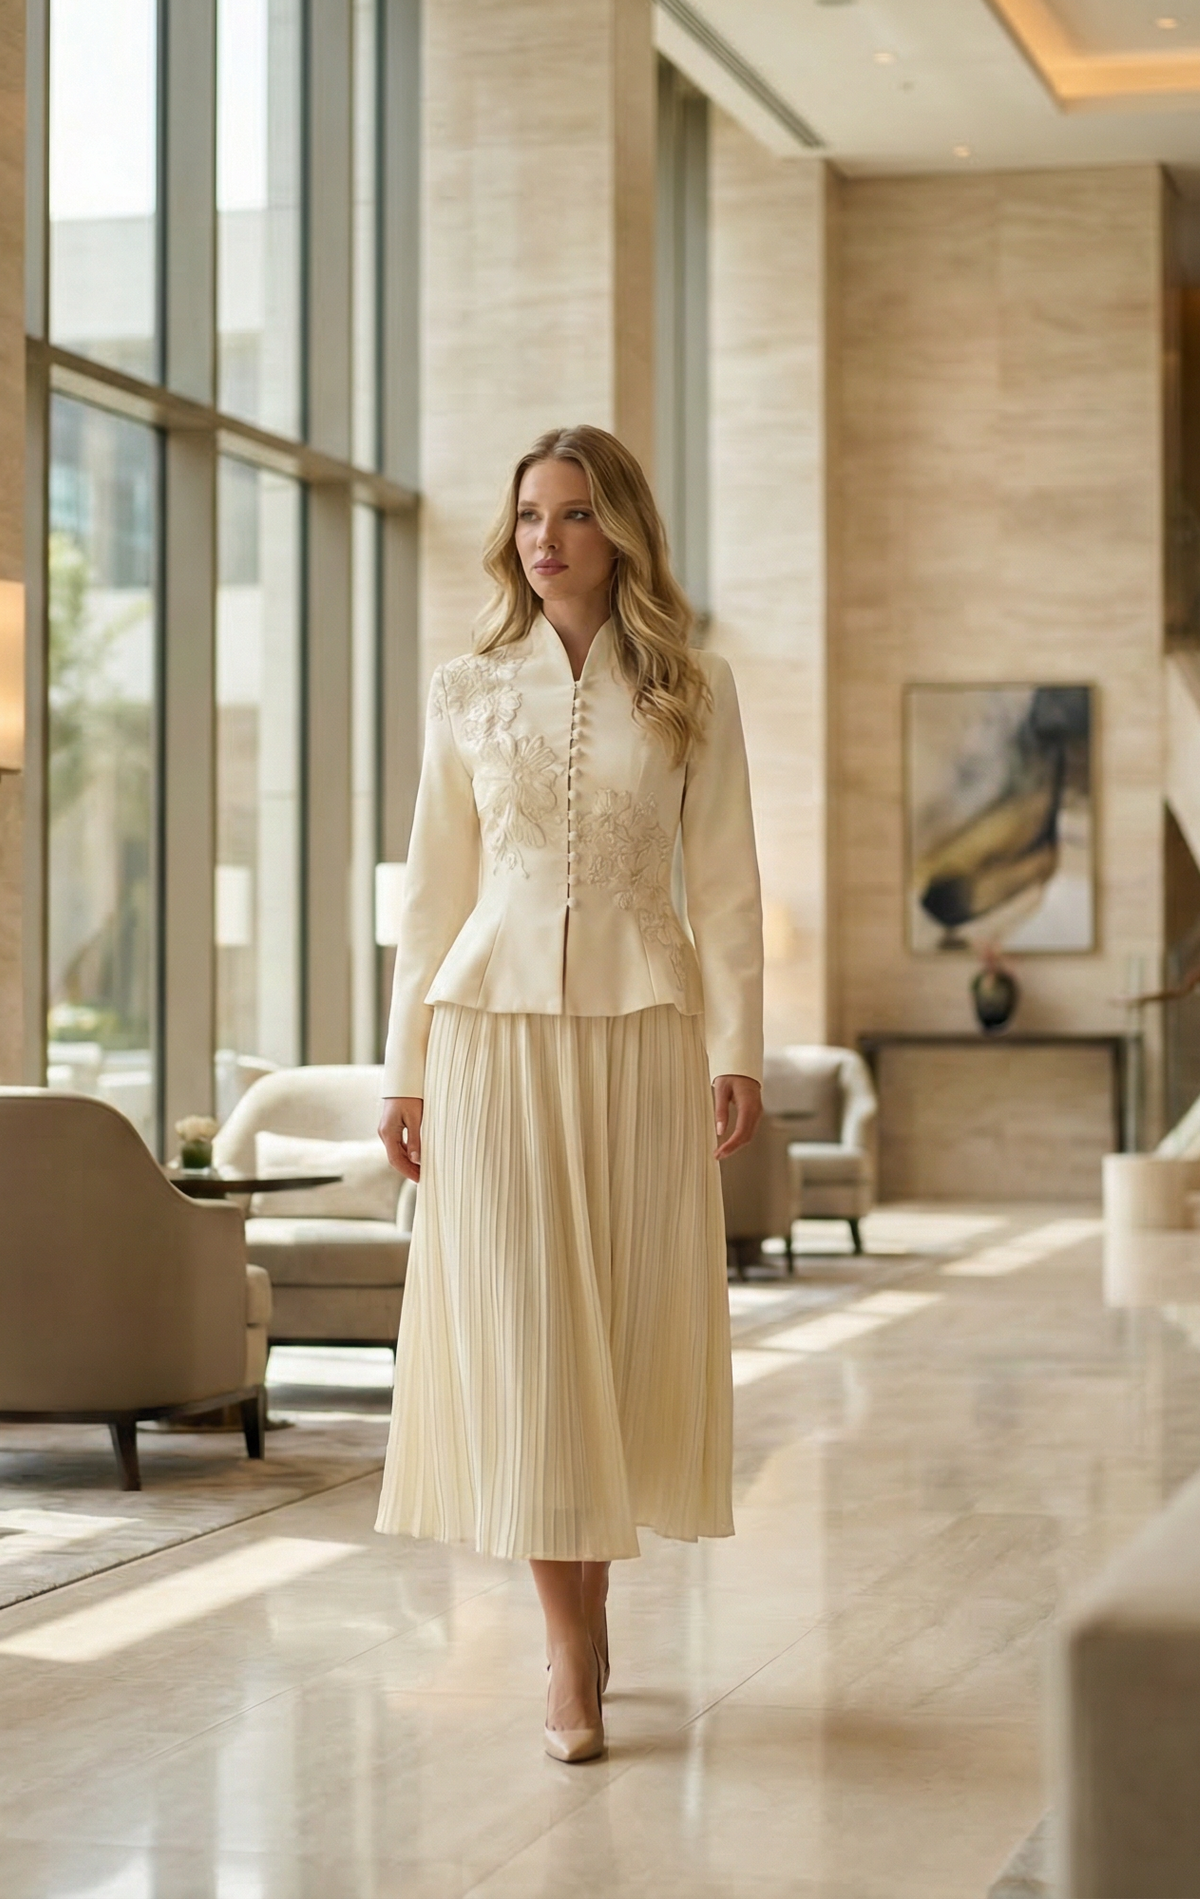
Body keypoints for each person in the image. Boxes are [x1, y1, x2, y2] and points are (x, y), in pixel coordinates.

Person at [376, 423, 764, 1764]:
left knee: (615, 1325)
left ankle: (589, 1617)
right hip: (487, 1039)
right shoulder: (464, 688)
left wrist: (740, 1048)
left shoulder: (692, 689)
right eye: (530, 514)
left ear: (622, 535)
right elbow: (429, 897)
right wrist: (403, 1068)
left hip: (645, 1032)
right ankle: (562, 1651)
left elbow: (725, 886)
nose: (545, 537)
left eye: (575, 513)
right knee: (534, 1331)